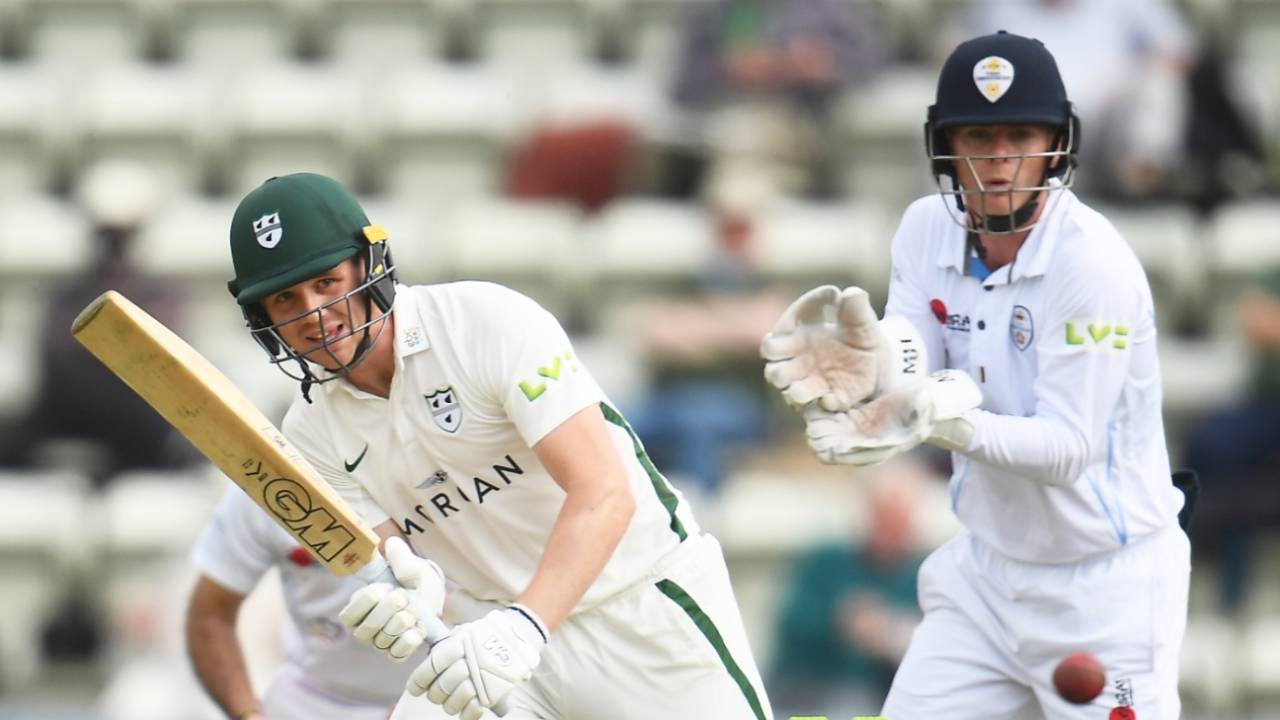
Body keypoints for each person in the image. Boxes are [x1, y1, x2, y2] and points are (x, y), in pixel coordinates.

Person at [222, 173, 771, 720]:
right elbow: (399, 561)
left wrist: (525, 624)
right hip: (488, 647)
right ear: (261, 318)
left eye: (326, 282)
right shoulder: (309, 432)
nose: (314, 314)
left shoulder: (484, 322)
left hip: (635, 610)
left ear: (369, 266)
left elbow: (605, 493)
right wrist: (403, 595)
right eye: (285, 298)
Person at [760, 31, 1190, 718]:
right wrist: (869, 365)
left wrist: (937, 419)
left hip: (1105, 587)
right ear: (946, 146)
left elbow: (1065, 450)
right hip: (984, 575)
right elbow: (912, 360)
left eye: (1021, 135)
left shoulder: (1093, 264)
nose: (998, 160)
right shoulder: (924, 229)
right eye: (978, 136)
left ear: (1057, 144)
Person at [187, 486, 465, 720]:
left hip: (460, 697)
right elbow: (211, 614)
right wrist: (247, 713)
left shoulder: (458, 464)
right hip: (313, 704)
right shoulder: (263, 478)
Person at [0, 160, 197, 485]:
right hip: (67, 410)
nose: (112, 247)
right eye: (107, 235)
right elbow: (53, 362)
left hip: (137, 419)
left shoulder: (162, 293)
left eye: (122, 235)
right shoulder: (65, 293)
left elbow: (158, 362)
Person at [768, 471, 925, 716]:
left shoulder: (922, 574)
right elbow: (789, 623)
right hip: (812, 689)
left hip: (884, 694)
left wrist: (894, 636)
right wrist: (841, 619)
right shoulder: (827, 561)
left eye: (899, 521)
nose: (892, 531)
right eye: (885, 519)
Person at [1184, 265, 1280, 614]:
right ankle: (1227, 604)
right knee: (1211, 445)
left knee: (1230, 493)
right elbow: (1256, 318)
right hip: (1265, 412)